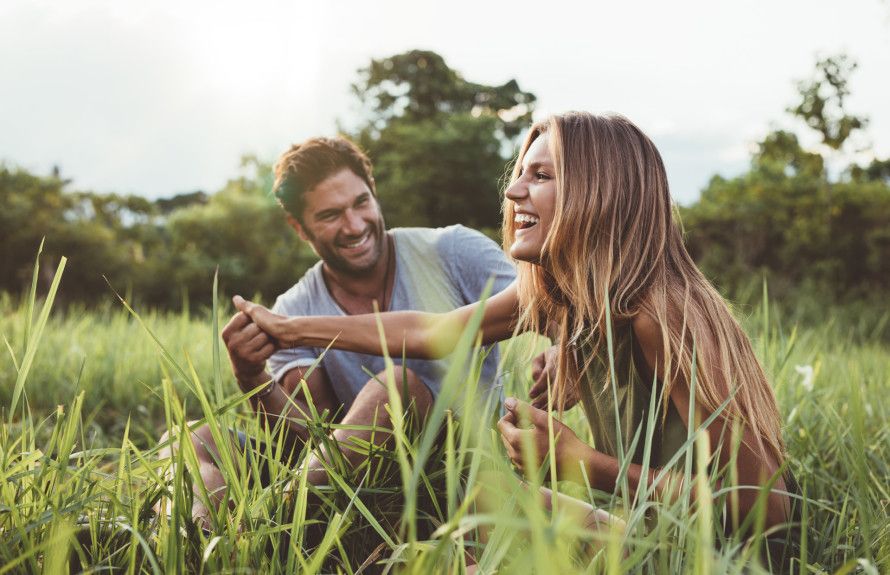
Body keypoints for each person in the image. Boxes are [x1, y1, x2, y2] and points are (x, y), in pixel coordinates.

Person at [234, 112, 796, 537]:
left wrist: (584, 465)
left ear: (600, 193)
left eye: (541, 175)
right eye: (519, 174)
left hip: (709, 553)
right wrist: (292, 330)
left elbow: (766, 509)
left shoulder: (662, 314)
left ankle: (264, 530)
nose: (512, 191)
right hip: (646, 523)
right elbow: (434, 332)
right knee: (471, 506)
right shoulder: (562, 296)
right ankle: (274, 531)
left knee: (481, 523)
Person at [158, 136, 517, 525]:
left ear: (374, 192)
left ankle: (264, 527)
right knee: (188, 439)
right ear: (299, 227)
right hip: (352, 484)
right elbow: (307, 438)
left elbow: (544, 305)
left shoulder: (453, 250)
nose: (354, 225)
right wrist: (250, 376)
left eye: (361, 203)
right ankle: (201, 537)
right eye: (330, 215)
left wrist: (557, 350)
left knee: (397, 387)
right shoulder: (293, 307)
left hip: (459, 473)